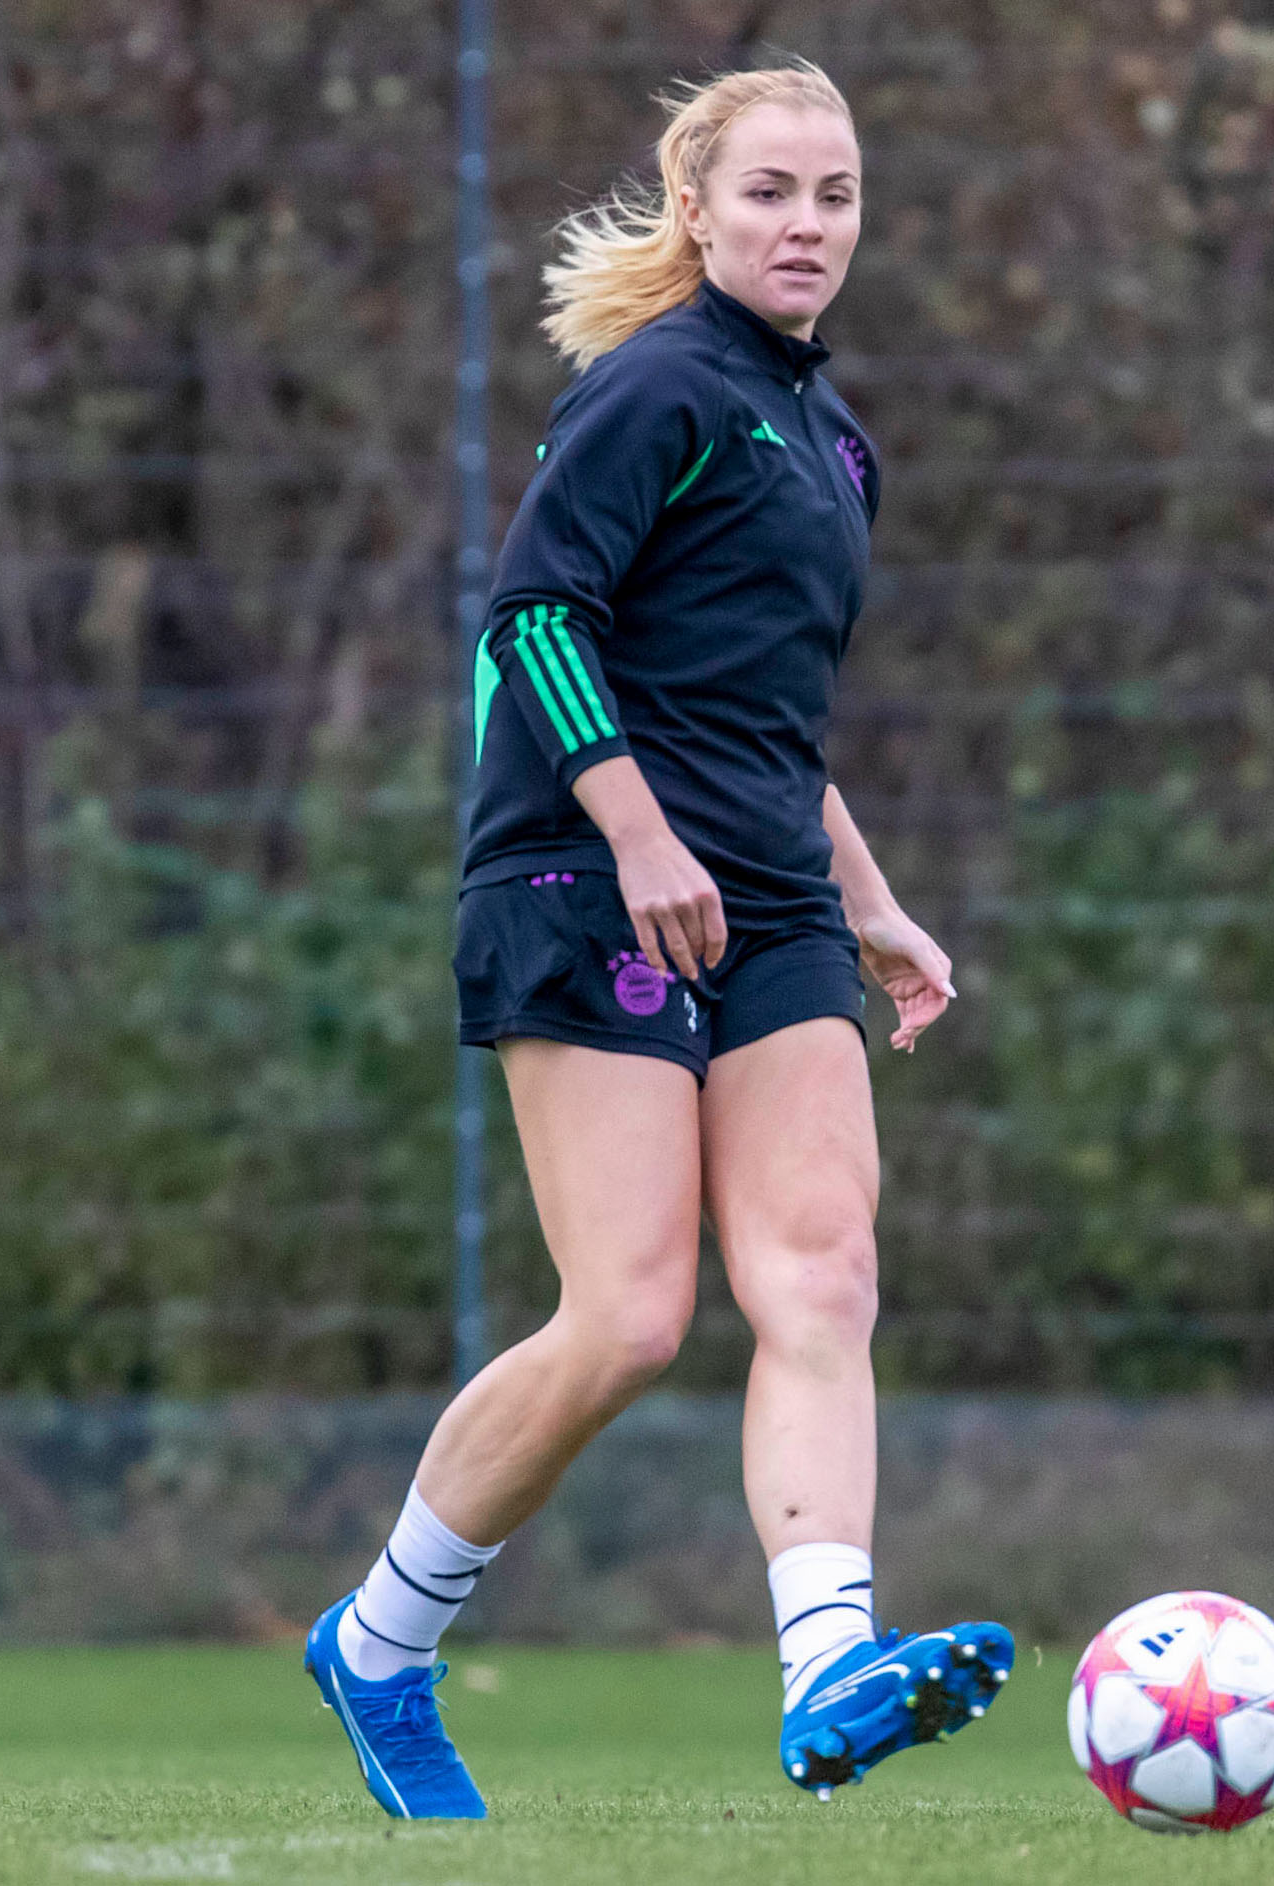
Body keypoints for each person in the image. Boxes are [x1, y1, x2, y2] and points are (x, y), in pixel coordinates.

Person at [300, 61, 1013, 1820]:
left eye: (835, 195)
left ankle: (827, 1658)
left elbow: (767, 720)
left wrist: (870, 901)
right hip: (574, 866)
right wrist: (631, 835)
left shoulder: (836, 441)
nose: (806, 224)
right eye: (770, 191)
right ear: (697, 207)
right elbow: (538, 620)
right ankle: (382, 1640)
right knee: (626, 1317)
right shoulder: (653, 392)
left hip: (765, 891)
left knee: (823, 1269)